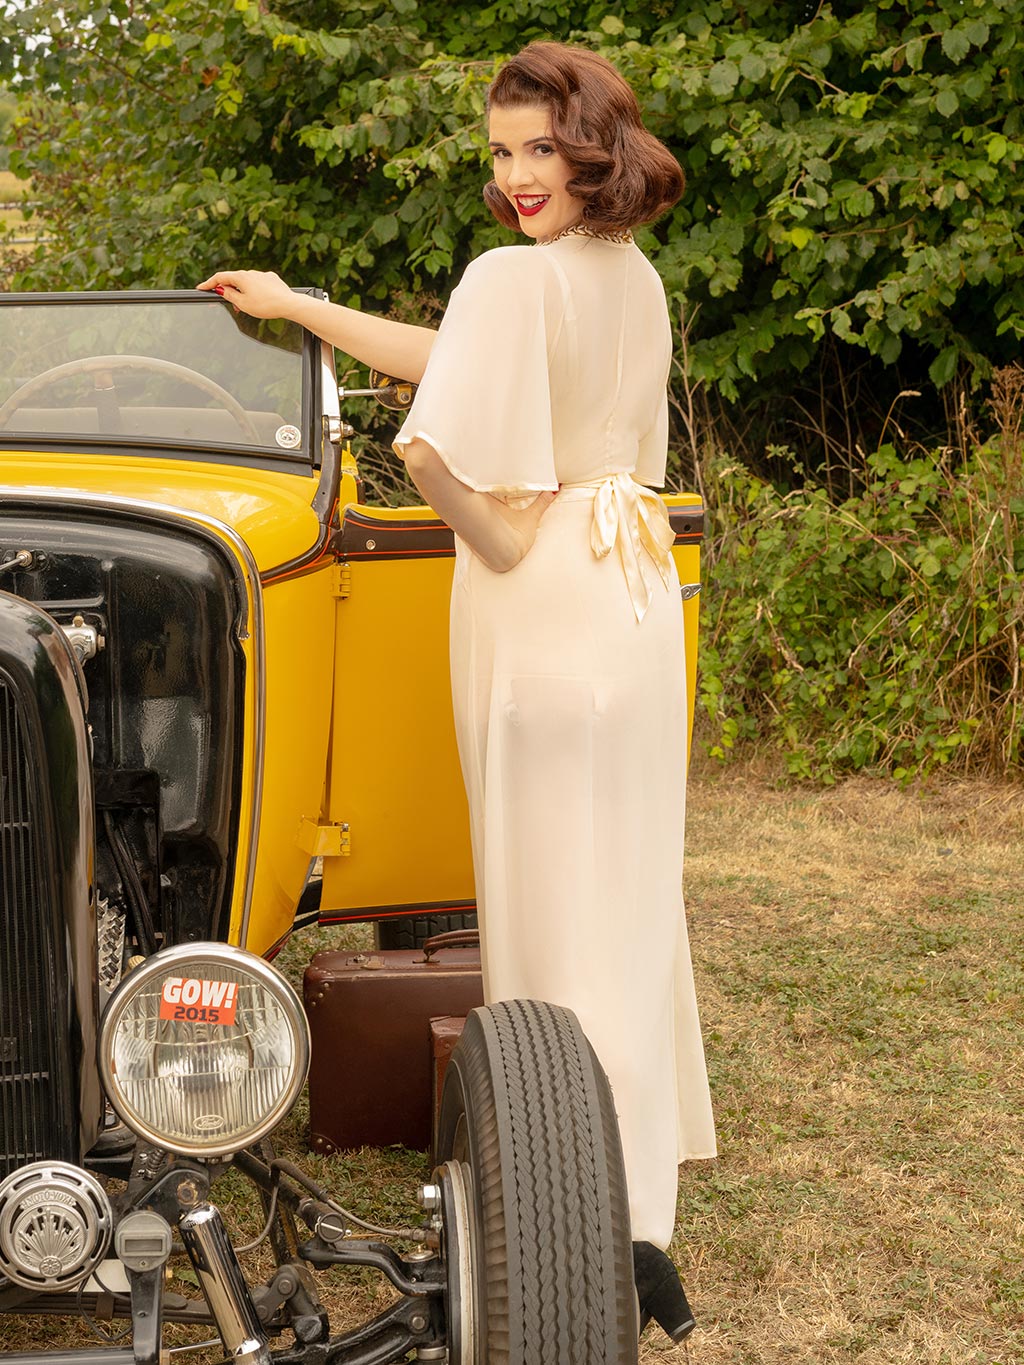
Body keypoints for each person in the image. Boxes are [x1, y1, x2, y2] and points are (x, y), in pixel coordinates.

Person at [198, 39, 716, 1342]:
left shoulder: (513, 278)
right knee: (628, 900)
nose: (518, 175)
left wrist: (494, 534)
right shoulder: (632, 280)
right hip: (641, 598)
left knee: (545, 915)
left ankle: (569, 1203)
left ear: (594, 140)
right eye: (501, 154)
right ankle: (638, 1220)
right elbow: (459, 350)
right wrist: (304, 304)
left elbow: (435, 436)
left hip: (547, 604)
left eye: (541, 147)